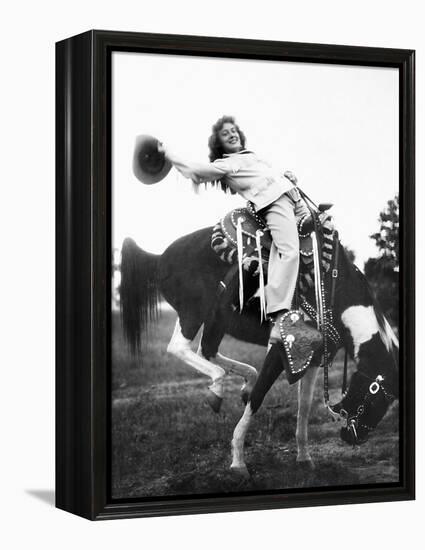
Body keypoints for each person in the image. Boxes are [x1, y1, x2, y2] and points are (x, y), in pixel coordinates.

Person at [159, 115, 311, 342]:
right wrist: (168, 154)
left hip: (296, 201)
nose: (232, 133)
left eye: (233, 130)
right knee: (288, 252)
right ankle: (279, 319)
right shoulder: (227, 164)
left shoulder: (253, 157)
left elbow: (268, 176)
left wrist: (286, 178)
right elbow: (194, 170)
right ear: (219, 143)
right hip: (274, 203)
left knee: (318, 249)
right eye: (225, 133)